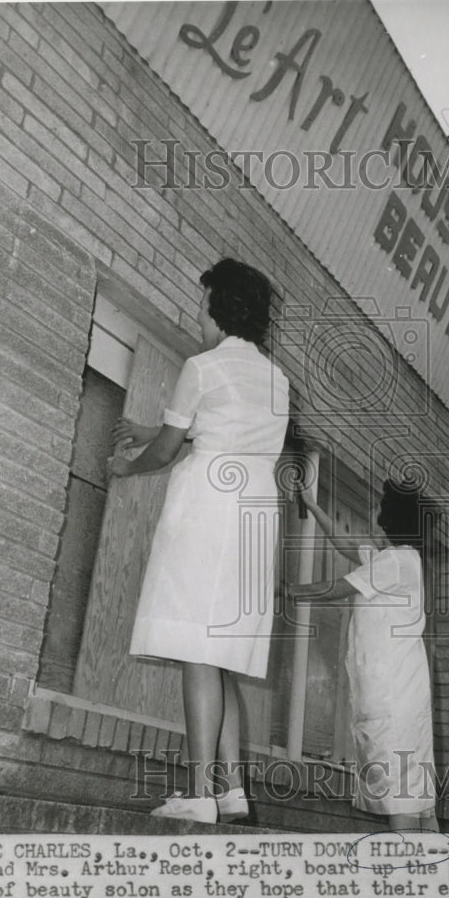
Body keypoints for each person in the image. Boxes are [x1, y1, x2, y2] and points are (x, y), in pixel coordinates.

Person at [108, 258, 289, 824]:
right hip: (255, 515)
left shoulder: (203, 365)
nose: (200, 313)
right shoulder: (279, 381)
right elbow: (216, 434)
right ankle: (232, 791)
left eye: (204, 301)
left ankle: (198, 794)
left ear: (219, 307)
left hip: (207, 511)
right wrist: (150, 432)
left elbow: (168, 450)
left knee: (195, 650)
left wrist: (126, 466)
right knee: (221, 657)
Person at [289, 480, 438, 831]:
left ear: (389, 517)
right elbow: (343, 542)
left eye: (377, 505)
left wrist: (285, 591)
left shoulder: (396, 561)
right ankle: (434, 878)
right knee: (417, 797)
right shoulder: (397, 559)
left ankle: (407, 875)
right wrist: (311, 504)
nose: (372, 510)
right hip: (403, 693)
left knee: (399, 793)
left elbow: (336, 588)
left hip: (393, 695)